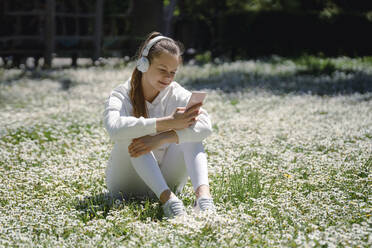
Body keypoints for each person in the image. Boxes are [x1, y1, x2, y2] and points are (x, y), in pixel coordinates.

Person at [103, 31, 215, 218]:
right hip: (125, 184)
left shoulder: (176, 92)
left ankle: (203, 199)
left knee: (191, 133)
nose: (168, 78)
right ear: (143, 64)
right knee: (131, 133)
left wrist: (165, 136)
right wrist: (167, 123)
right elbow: (113, 129)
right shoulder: (121, 93)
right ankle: (168, 201)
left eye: (173, 72)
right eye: (162, 70)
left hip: (167, 179)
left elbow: (206, 126)